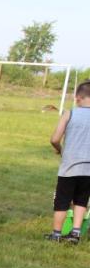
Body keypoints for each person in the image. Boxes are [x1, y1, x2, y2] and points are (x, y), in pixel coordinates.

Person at [45, 80, 90, 243]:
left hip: (69, 168)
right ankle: (75, 234)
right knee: (81, 200)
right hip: (88, 170)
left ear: (78, 97)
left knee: (62, 201)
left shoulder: (69, 114)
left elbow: (54, 139)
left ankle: (56, 234)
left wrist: (60, 149)